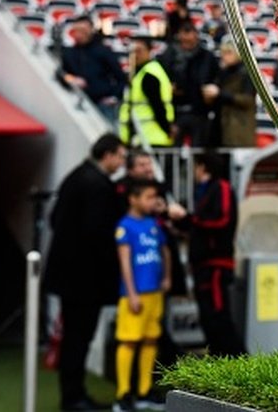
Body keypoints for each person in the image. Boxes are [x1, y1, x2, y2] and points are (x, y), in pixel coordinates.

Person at [44, 134, 128, 412]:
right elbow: (98, 233)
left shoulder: (78, 176)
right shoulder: (97, 185)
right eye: (120, 156)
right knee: (78, 338)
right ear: (108, 154)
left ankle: (74, 394)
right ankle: (73, 398)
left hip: (70, 275)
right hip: (84, 280)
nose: (122, 162)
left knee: (74, 337)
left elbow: (54, 218)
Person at [169, 153, 245, 356]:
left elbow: (222, 221)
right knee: (208, 316)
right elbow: (199, 224)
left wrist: (189, 219)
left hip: (216, 265)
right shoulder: (203, 191)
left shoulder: (221, 188)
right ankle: (219, 360)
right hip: (202, 265)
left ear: (202, 167)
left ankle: (236, 360)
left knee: (218, 314)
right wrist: (182, 222)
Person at [113, 180, 171, 412]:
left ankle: (145, 390)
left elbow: (164, 251)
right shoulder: (125, 226)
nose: (152, 202)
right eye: (148, 197)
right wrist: (132, 292)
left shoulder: (153, 223)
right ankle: (123, 394)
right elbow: (125, 261)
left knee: (150, 339)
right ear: (133, 199)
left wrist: (167, 276)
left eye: (154, 197)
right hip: (134, 295)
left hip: (154, 293)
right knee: (129, 340)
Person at [58, 16, 127, 123]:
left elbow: (121, 78)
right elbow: (61, 74)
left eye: (83, 31)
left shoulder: (104, 51)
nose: (80, 34)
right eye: (77, 31)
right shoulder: (69, 53)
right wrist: (71, 79)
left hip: (102, 104)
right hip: (78, 102)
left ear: (91, 30)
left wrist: (114, 97)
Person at [160, 21, 218, 146]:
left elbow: (215, 79)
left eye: (189, 40)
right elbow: (161, 75)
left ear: (196, 36)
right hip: (175, 110)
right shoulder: (169, 54)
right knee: (173, 152)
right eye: (183, 40)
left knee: (198, 150)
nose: (186, 43)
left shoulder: (207, 57)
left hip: (199, 111)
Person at [120, 37, 174, 148]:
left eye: (139, 51)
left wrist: (167, 129)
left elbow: (157, 106)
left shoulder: (148, 75)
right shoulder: (142, 73)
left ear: (149, 51)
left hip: (151, 137)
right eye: (132, 51)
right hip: (145, 136)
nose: (135, 55)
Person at [203, 40, 257, 147]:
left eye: (228, 53)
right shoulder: (222, 73)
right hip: (220, 127)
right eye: (223, 53)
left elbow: (248, 100)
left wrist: (220, 94)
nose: (224, 56)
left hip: (238, 129)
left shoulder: (247, 73)